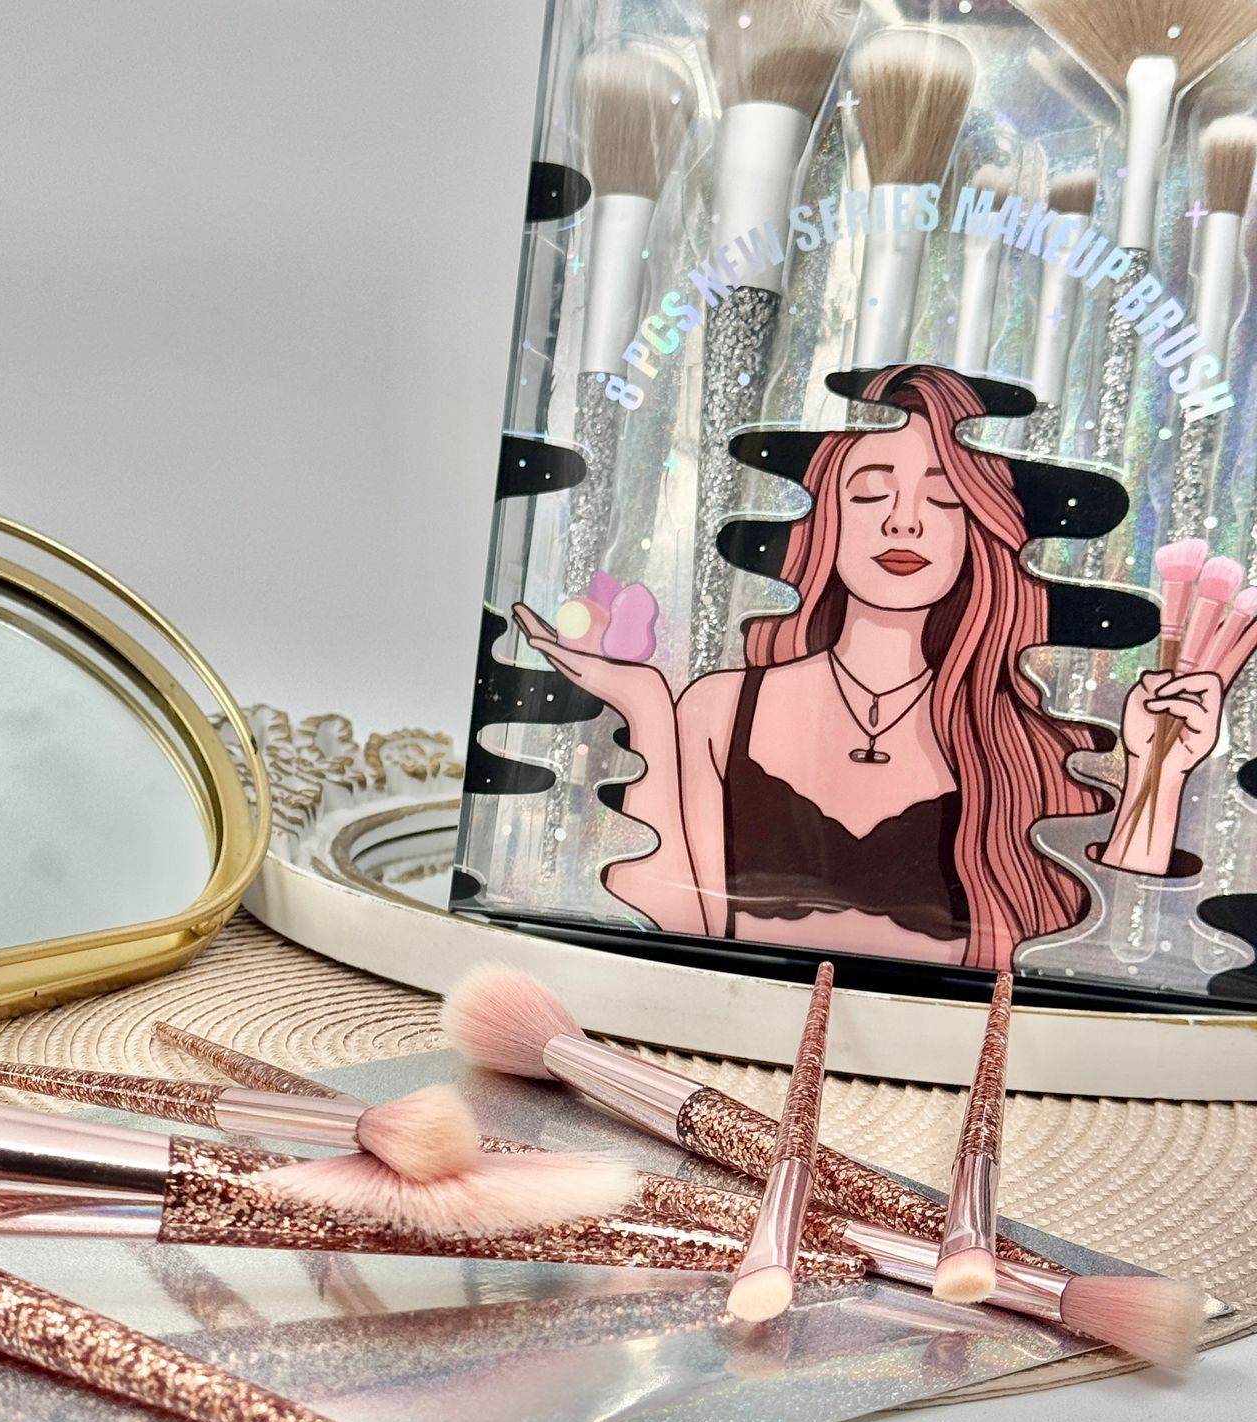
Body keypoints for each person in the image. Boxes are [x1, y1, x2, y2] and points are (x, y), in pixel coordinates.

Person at [515, 364, 1225, 969]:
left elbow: (1090, 962)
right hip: (744, 1030)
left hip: (947, 1053)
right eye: (869, 492)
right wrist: (647, 706)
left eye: (943, 498)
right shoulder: (718, 709)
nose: (903, 520)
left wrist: (1159, 778)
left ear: (978, 531)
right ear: (827, 521)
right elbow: (684, 928)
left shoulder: (1009, 732)